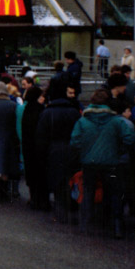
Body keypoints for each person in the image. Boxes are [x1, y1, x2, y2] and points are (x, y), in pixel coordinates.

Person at [71, 89, 135, 237]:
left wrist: (84, 151)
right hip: (111, 161)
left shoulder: (83, 121)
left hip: (88, 162)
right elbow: (129, 139)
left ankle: (86, 225)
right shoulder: (116, 121)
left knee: (88, 191)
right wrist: (119, 150)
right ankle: (116, 225)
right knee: (114, 192)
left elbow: (74, 141)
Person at [36, 85, 83, 221]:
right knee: (71, 179)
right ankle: (73, 208)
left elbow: (41, 136)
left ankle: (60, 212)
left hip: (54, 150)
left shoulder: (46, 113)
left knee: (57, 180)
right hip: (71, 148)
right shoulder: (74, 112)